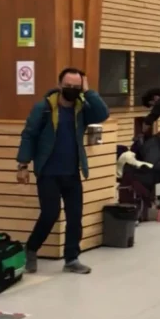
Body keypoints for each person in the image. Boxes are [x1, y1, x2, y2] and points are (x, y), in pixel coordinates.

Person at [16, 68, 109, 275]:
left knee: (75, 216)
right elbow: (29, 135)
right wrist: (23, 164)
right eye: (68, 86)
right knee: (50, 214)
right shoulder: (44, 108)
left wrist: (89, 91)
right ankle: (31, 248)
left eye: (77, 87)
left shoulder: (81, 108)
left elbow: (102, 114)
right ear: (59, 85)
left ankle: (72, 259)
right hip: (48, 172)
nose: (72, 90)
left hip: (72, 172)